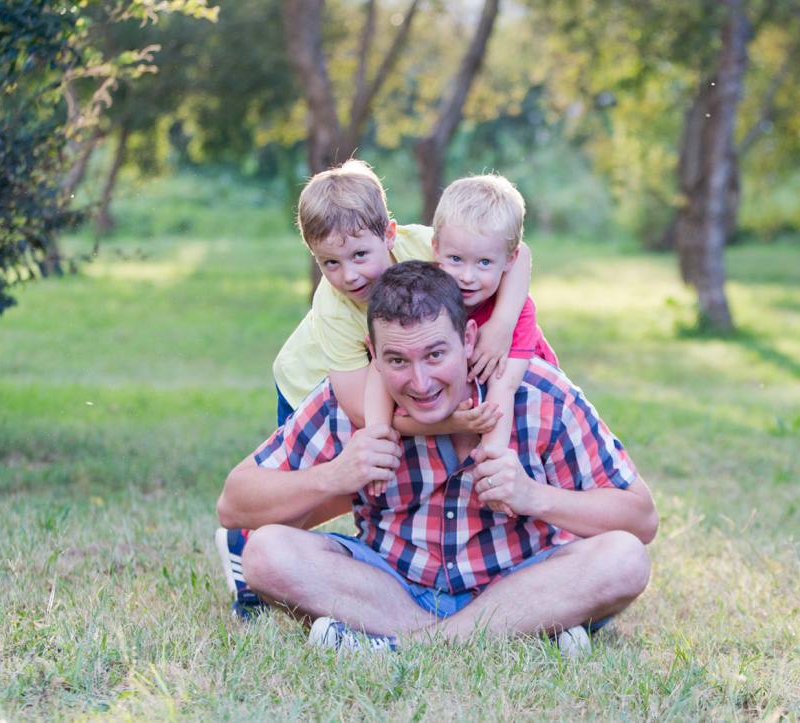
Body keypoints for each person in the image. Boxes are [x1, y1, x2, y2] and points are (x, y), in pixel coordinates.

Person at [216, 261, 657, 654]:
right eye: (397, 360)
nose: (420, 382)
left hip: (520, 581)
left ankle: (400, 646)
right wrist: (335, 474)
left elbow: (640, 519)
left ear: (468, 339)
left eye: (435, 354)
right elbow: (234, 504)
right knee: (266, 553)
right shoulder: (349, 405)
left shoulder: (540, 394)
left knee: (624, 557)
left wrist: (535, 495)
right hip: (390, 587)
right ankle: (519, 634)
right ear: (373, 355)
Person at [216, 161, 532, 618]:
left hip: (395, 370)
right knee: (322, 487)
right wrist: (453, 423)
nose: (349, 276)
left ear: (389, 233)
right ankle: (247, 557)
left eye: (360, 255)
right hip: (316, 382)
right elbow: (363, 413)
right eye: (330, 263)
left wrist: (502, 324)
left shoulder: (428, 246)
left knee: (380, 473)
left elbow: (517, 254)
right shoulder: (334, 310)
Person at [364, 175, 557, 492]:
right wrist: (377, 438)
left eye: (483, 263)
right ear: (435, 248)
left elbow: (503, 389)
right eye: (455, 259)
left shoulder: (517, 312)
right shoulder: (433, 295)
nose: (467, 277)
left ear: (508, 260)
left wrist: (493, 461)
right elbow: (378, 367)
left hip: (521, 402)